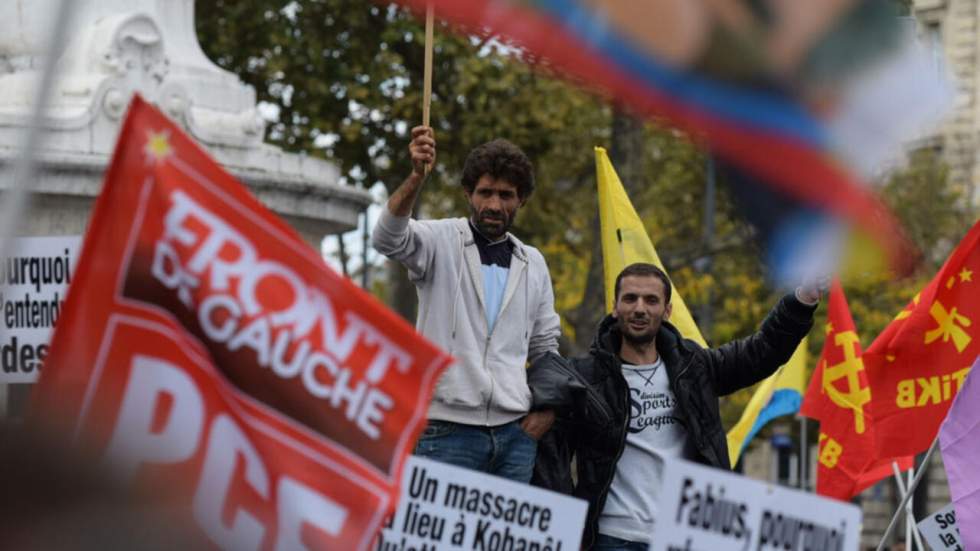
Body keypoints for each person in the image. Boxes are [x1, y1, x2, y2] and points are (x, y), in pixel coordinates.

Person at [530, 262, 822, 550]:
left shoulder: (695, 368)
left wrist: (803, 299)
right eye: (630, 298)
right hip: (612, 538)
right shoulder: (584, 379)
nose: (640, 308)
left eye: (651, 300)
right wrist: (565, 530)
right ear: (615, 307)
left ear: (667, 311)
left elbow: (761, 351)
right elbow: (551, 461)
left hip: (685, 536)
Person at [371, 126, 561, 482]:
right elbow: (386, 239)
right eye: (485, 192)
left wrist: (544, 412)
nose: (493, 205)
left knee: (503, 541)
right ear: (467, 194)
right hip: (446, 432)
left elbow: (546, 344)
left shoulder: (533, 262)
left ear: (521, 200)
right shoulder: (440, 239)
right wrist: (416, 177)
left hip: (515, 436)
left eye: (505, 195)